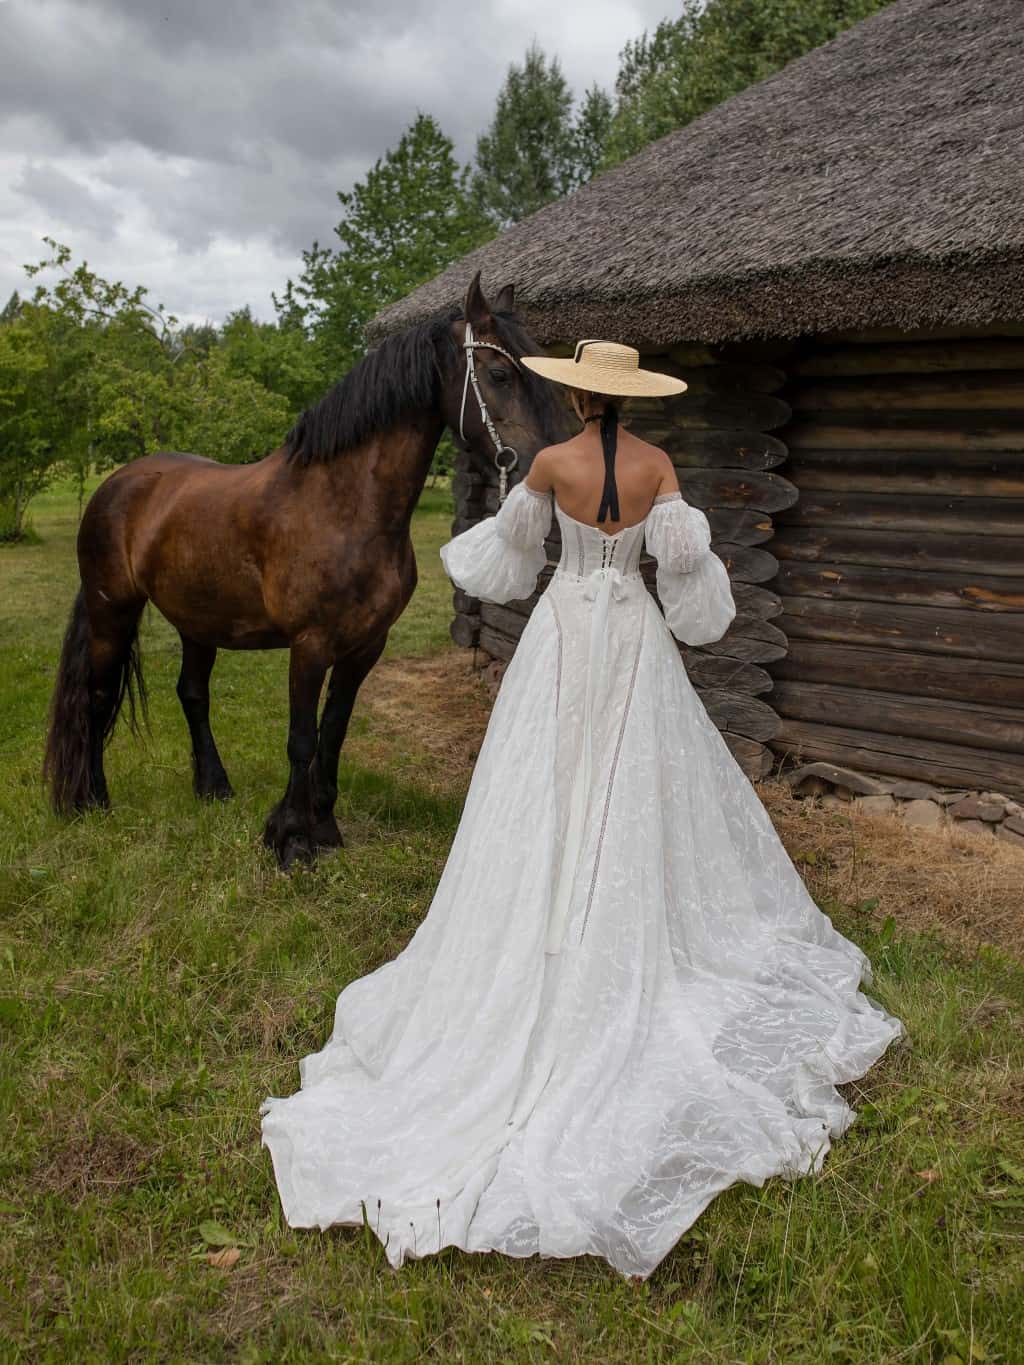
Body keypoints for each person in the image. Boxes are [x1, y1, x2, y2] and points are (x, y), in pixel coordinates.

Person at [259, 339, 904, 1280]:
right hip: (635, 638)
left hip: (562, 635)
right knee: (631, 784)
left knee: (544, 780)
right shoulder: (658, 467)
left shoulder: (553, 464)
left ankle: (547, 917)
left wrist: (543, 539)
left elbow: (506, 568)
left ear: (572, 391)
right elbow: (688, 584)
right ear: (630, 397)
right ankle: (609, 909)